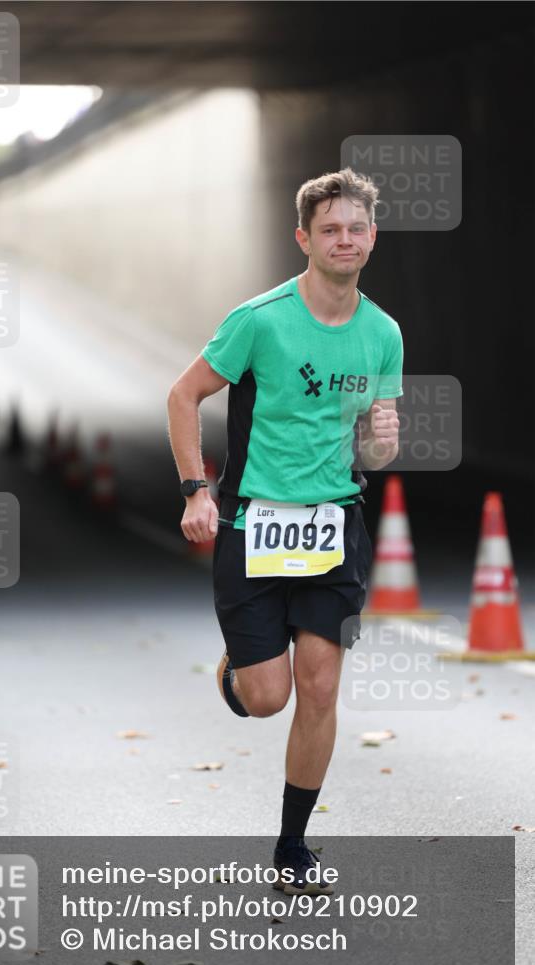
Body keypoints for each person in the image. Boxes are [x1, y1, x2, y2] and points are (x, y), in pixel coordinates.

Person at [167, 168, 403, 894]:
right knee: (266, 698)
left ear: (371, 237)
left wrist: (384, 439)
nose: (343, 239)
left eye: (354, 228)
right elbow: (183, 396)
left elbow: (375, 450)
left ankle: (293, 846)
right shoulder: (260, 320)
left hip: (333, 524)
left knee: (321, 686)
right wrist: (194, 492)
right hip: (252, 522)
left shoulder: (383, 332)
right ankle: (238, 664)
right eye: (328, 229)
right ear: (303, 237)